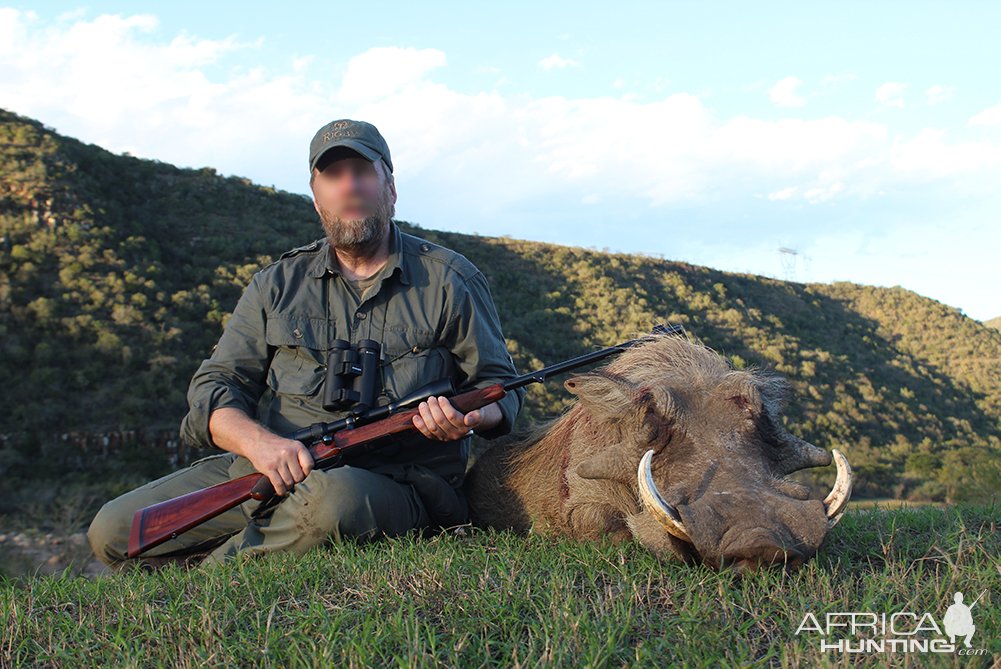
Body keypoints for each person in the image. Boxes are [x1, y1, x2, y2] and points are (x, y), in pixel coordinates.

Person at [87, 119, 525, 570]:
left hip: (394, 483)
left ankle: (203, 588)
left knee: (336, 501)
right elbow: (215, 386)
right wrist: (260, 445)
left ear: (390, 188)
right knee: (114, 529)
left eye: (363, 171)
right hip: (273, 467)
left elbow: (503, 388)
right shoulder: (277, 284)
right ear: (317, 197)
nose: (349, 185)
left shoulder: (450, 280)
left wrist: (469, 416)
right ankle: (271, 538)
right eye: (333, 176)